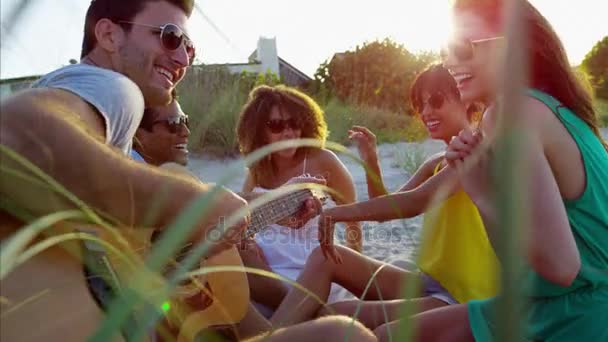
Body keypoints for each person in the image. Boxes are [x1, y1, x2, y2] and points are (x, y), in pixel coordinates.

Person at [0, 0, 345, 340]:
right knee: (342, 334)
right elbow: (15, 135)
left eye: (189, 48)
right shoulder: (115, 89)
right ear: (109, 35)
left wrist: (256, 208)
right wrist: (198, 199)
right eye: (169, 37)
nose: (182, 59)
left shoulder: (81, 101)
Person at [407, 0, 607, 341]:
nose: (451, 61)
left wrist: (483, 192)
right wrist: (480, 185)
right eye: (446, 49)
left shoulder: (513, 112)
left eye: (462, 46)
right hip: (555, 302)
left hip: (576, 315)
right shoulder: (553, 107)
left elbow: (561, 267)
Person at [268, 65, 499, 332]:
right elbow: (390, 204)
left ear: (466, 100)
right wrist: (371, 160)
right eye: (420, 105)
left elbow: (414, 202)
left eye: (435, 101)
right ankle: (265, 337)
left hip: (461, 295)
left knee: (346, 320)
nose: (426, 113)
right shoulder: (436, 162)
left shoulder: (476, 153)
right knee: (324, 262)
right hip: (428, 282)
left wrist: (332, 214)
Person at [235, 85, 362, 313]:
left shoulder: (323, 160)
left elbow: (354, 217)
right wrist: (250, 243)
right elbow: (244, 218)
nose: (288, 133)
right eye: (276, 125)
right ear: (259, 131)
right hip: (266, 267)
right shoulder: (258, 168)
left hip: (310, 265)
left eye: (295, 124)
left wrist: (357, 275)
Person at [133, 89, 190, 166]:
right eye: (175, 123)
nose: (186, 132)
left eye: (185, 121)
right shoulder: (125, 175)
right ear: (137, 134)